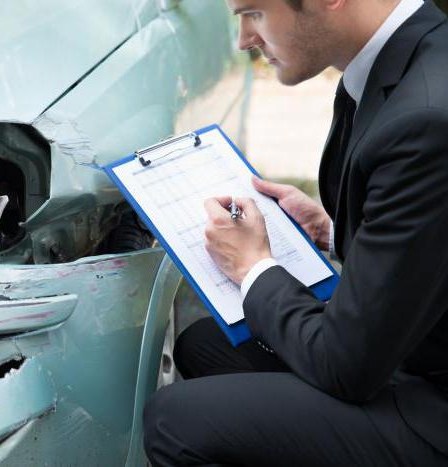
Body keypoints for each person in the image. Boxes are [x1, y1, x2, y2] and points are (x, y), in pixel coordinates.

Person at [143, 0, 448, 465]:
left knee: (174, 420)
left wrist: (253, 266)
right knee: (206, 345)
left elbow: (346, 368)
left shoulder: (426, 117)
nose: (244, 39)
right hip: (416, 351)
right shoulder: (408, 61)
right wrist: (331, 233)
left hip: (434, 405)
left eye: (255, 13)